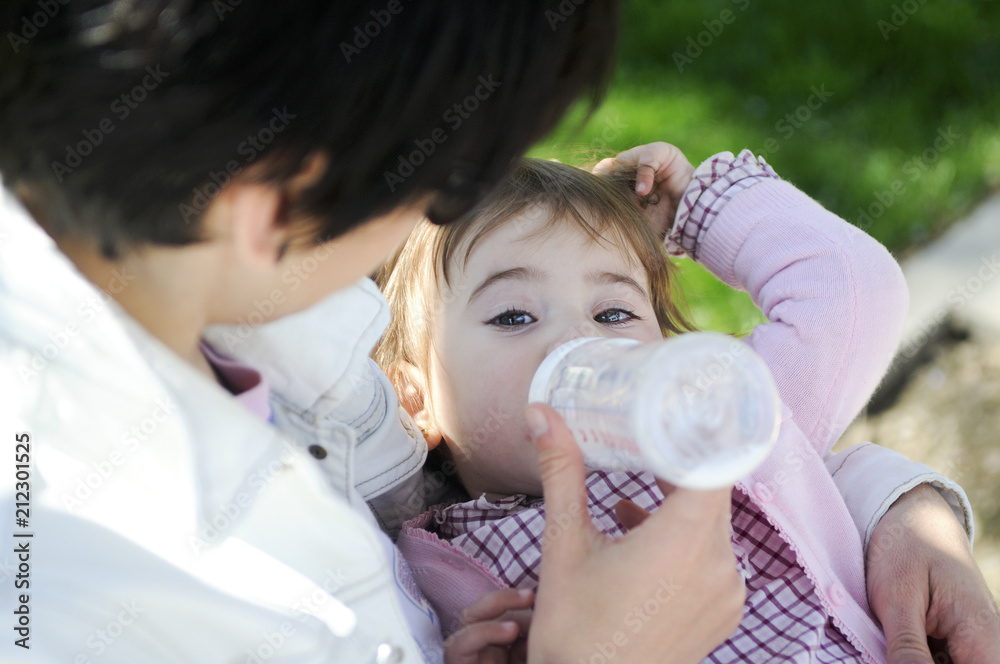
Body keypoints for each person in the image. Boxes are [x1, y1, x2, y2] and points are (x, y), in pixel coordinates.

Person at [0, 0, 994, 661]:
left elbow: (813, 390)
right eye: (444, 179)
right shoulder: (78, 586)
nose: (439, 208)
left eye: (615, 307)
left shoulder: (281, 330)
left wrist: (894, 510)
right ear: (277, 202)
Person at [374, 149, 999, 662]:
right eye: (513, 315)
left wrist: (696, 212)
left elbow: (854, 292)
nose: (579, 340)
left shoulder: (717, 422)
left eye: (614, 311)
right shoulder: (432, 565)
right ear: (415, 400)